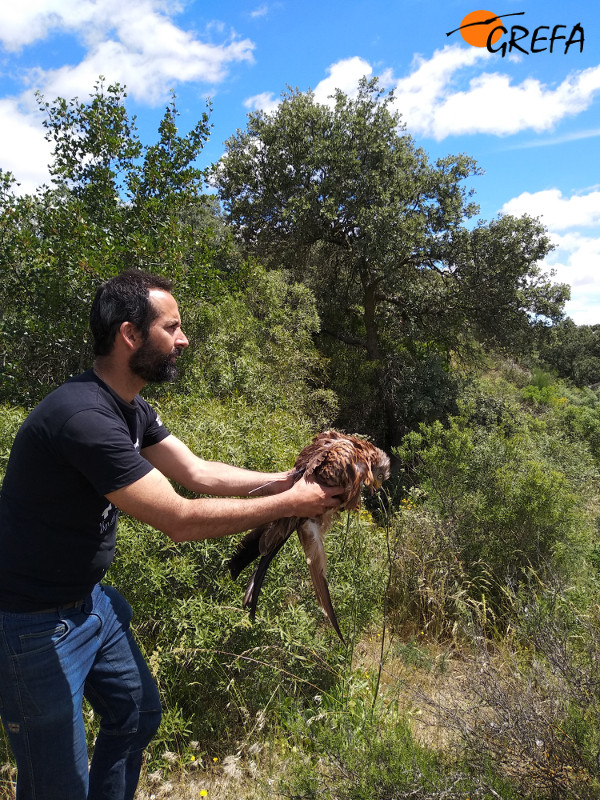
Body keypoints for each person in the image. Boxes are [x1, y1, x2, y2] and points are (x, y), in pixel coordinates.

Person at [0, 270, 341, 800]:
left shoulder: (129, 405)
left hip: (89, 604)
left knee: (136, 717)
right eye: (173, 327)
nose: (183, 340)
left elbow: (197, 472)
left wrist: (291, 481)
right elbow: (178, 518)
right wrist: (293, 503)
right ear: (130, 335)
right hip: (30, 627)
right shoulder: (83, 417)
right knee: (55, 787)